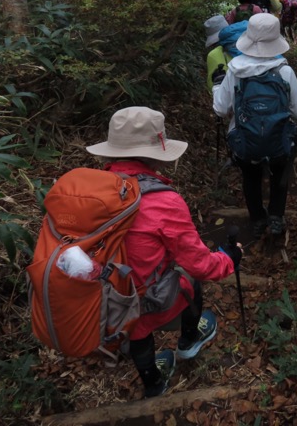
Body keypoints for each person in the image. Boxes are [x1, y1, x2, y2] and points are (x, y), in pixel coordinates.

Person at [86, 107, 243, 398]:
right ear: (155, 154)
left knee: (136, 323)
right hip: (147, 298)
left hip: (102, 298)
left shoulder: (90, 192)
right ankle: (189, 341)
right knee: (189, 280)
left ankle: (153, 383)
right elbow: (200, 265)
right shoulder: (163, 201)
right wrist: (229, 259)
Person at [211, 14, 297, 238]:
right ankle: (276, 216)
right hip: (278, 139)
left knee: (251, 176)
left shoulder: (235, 71)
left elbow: (220, 109)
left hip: (245, 140)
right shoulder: (284, 71)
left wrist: (217, 87)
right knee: (279, 172)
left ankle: (257, 218)